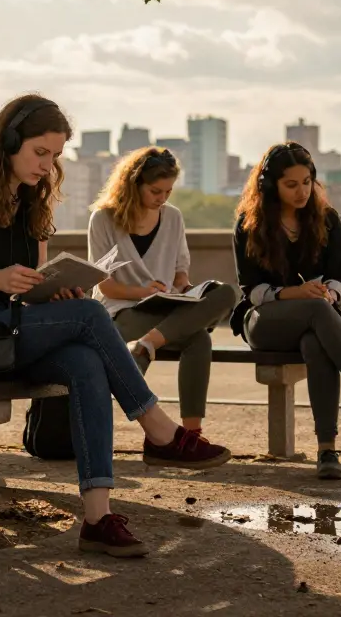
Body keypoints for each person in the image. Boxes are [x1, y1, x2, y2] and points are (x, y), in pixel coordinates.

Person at [0, 94, 230, 559]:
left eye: (56, 156)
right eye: (40, 152)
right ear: (7, 140)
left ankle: (98, 518)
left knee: (85, 361)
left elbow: (26, 291)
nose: (47, 165)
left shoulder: (31, 200)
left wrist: (53, 290)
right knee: (91, 315)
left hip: (8, 329)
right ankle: (160, 432)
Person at [229, 142, 341, 480]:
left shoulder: (327, 220)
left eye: (307, 181)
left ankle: (327, 450)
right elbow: (255, 292)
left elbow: (340, 280)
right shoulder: (249, 224)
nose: (302, 190)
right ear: (270, 185)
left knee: (317, 342)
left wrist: (328, 294)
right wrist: (298, 293)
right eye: (291, 184)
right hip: (263, 321)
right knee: (316, 312)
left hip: (315, 319)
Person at [88, 146, 240, 433]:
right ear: (134, 185)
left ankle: (149, 347)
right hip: (121, 311)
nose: (162, 198)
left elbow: (180, 271)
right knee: (198, 339)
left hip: (165, 307)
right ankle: (183, 435)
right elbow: (104, 285)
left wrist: (184, 287)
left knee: (227, 293)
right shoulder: (103, 219)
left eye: (168, 192)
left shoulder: (173, 217)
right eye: (156, 191)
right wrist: (144, 292)